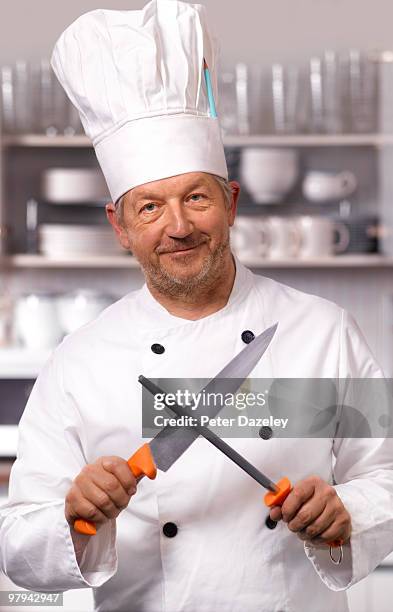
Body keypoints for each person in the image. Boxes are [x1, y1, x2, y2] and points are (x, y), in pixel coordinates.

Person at [1, 2, 393, 611]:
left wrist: (349, 510)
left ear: (231, 201)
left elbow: (389, 476)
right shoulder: (81, 361)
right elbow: (20, 550)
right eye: (149, 207)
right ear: (120, 227)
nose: (178, 226)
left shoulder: (322, 333)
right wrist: (75, 519)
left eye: (196, 197)